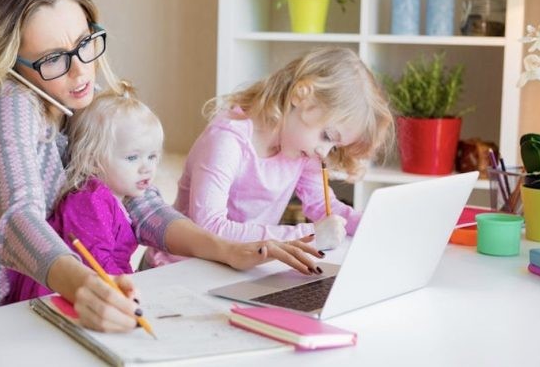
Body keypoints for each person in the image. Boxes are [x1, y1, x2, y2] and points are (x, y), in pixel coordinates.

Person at [0, 0, 322, 332]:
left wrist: (228, 249)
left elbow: (141, 203)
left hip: (38, 310)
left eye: (84, 44)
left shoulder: (80, 99)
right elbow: (16, 219)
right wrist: (83, 286)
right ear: (10, 64)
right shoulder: (8, 103)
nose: (81, 71)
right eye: (53, 60)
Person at [145, 48, 394, 268]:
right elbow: (209, 229)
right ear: (301, 96)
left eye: (335, 147)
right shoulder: (228, 141)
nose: (324, 152)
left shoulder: (302, 150)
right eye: (327, 135)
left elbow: (325, 207)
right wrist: (308, 236)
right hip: (178, 268)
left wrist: (375, 225)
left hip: (237, 268)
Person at [6, 83, 163, 302]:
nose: (146, 167)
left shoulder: (118, 198)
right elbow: (98, 265)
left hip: (95, 290)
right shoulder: (90, 200)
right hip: (56, 296)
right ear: (93, 160)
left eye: (152, 156)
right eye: (132, 158)